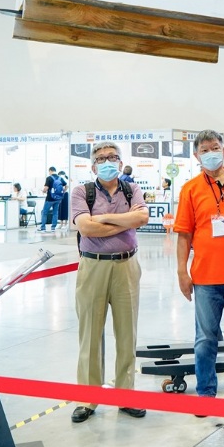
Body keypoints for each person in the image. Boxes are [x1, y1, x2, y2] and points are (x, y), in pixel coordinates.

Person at [69, 142, 148, 423]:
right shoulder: (82, 192)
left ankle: (126, 396)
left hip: (127, 266)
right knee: (89, 335)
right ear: (93, 166)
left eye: (112, 157)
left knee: (127, 333)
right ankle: (87, 399)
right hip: (93, 267)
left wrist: (104, 218)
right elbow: (86, 227)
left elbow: (142, 217)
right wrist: (126, 221)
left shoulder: (131, 189)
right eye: (101, 158)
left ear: (120, 162)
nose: (107, 162)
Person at [174, 130, 224, 406]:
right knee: (206, 339)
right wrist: (182, 272)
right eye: (204, 150)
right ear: (196, 156)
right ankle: (206, 393)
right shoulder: (190, 189)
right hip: (206, 280)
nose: (210, 153)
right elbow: (184, 234)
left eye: (215, 148)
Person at [40, 166, 66, 232]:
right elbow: (66, 185)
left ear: (50, 171)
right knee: (55, 213)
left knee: (44, 212)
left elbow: (46, 188)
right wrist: (63, 192)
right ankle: (53, 228)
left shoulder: (49, 178)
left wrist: (43, 191)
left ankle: (43, 228)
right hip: (58, 199)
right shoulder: (60, 178)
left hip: (49, 198)